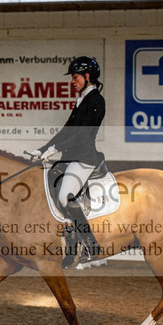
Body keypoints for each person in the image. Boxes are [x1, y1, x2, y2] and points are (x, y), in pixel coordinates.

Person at [29, 56, 105, 261]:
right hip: (70, 158)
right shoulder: (82, 100)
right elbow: (66, 131)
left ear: (87, 76)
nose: (72, 81)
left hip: (84, 159)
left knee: (65, 196)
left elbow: (82, 135)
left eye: (75, 77)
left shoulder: (96, 101)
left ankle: (90, 244)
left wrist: (56, 148)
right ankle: (68, 243)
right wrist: (42, 149)